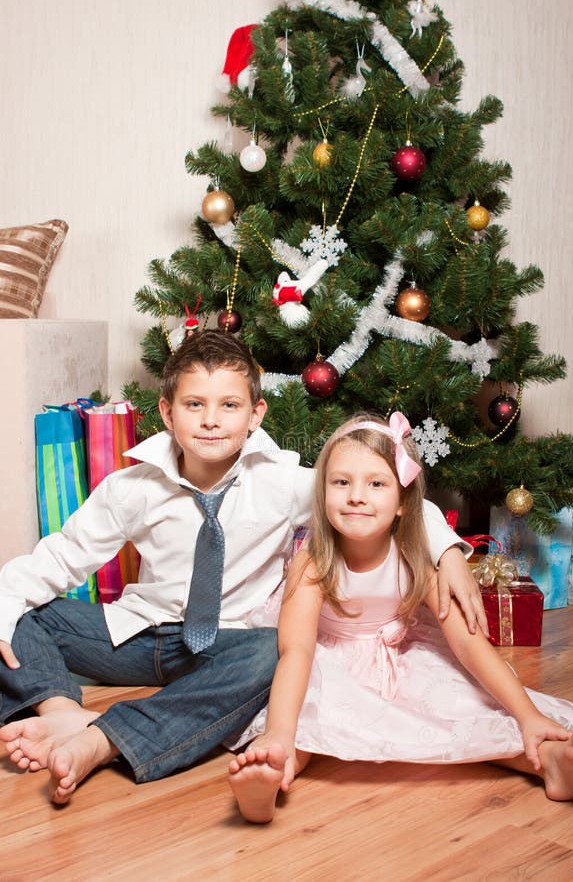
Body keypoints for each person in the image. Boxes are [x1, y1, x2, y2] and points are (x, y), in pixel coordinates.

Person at [0, 333, 482, 805]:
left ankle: (104, 739)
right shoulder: (132, 487)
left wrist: (449, 552)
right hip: (139, 633)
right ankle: (60, 709)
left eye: (229, 406)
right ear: (167, 412)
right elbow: (59, 559)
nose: (211, 421)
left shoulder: (281, 482)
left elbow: (392, 495)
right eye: (194, 405)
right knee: (14, 613)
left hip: (228, 647)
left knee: (272, 654)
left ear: (256, 415)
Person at [228, 413, 573, 823]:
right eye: (341, 482)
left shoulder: (416, 562)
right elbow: (297, 651)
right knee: (303, 724)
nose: (356, 496)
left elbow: (468, 645)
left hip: (397, 662)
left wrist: (529, 715)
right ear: (322, 492)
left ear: (401, 503)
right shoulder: (312, 563)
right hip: (327, 663)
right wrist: (279, 732)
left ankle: (550, 760)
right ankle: (270, 777)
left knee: (473, 714)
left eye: (376, 484)